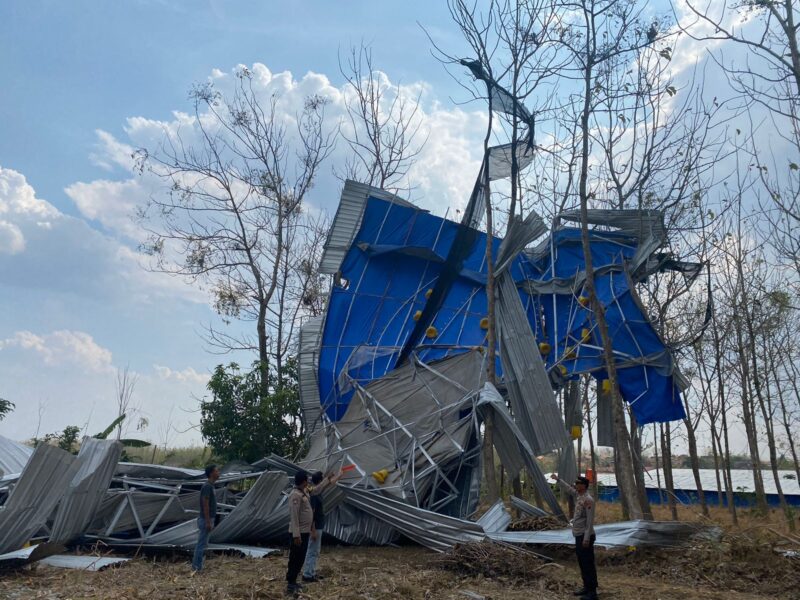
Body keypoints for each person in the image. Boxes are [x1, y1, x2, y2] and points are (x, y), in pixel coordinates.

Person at [551, 473, 598, 600]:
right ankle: (586, 587)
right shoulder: (579, 496)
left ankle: (592, 593)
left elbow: (589, 521)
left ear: (584, 486)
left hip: (585, 536)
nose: (575, 485)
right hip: (578, 535)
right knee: (582, 563)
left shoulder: (588, 500)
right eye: (576, 483)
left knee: (588, 564)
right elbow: (568, 489)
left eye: (578, 483)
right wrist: (558, 480)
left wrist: (587, 538)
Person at [302, 469, 343, 583]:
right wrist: (312, 530)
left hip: (319, 525)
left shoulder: (317, 491)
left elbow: (328, 484)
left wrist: (338, 476)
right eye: (323, 478)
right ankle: (307, 574)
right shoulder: (314, 495)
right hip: (316, 527)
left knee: (315, 550)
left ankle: (311, 572)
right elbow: (312, 513)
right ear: (320, 481)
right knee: (312, 550)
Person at [286, 470, 314, 596]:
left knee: (301, 557)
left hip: (305, 532)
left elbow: (317, 489)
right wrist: (296, 535)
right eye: (307, 479)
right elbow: (294, 516)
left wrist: (328, 480)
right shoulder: (295, 495)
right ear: (303, 481)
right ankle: (290, 582)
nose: (308, 481)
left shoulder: (304, 492)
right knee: (295, 557)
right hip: (298, 533)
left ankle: (294, 580)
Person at [192, 464, 220, 572]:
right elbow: (205, 504)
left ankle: (199, 565)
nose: (218, 473)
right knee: (201, 544)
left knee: (203, 544)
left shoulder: (211, 486)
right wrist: (208, 521)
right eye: (217, 471)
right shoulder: (207, 486)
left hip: (208, 519)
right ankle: (196, 567)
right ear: (212, 473)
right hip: (205, 519)